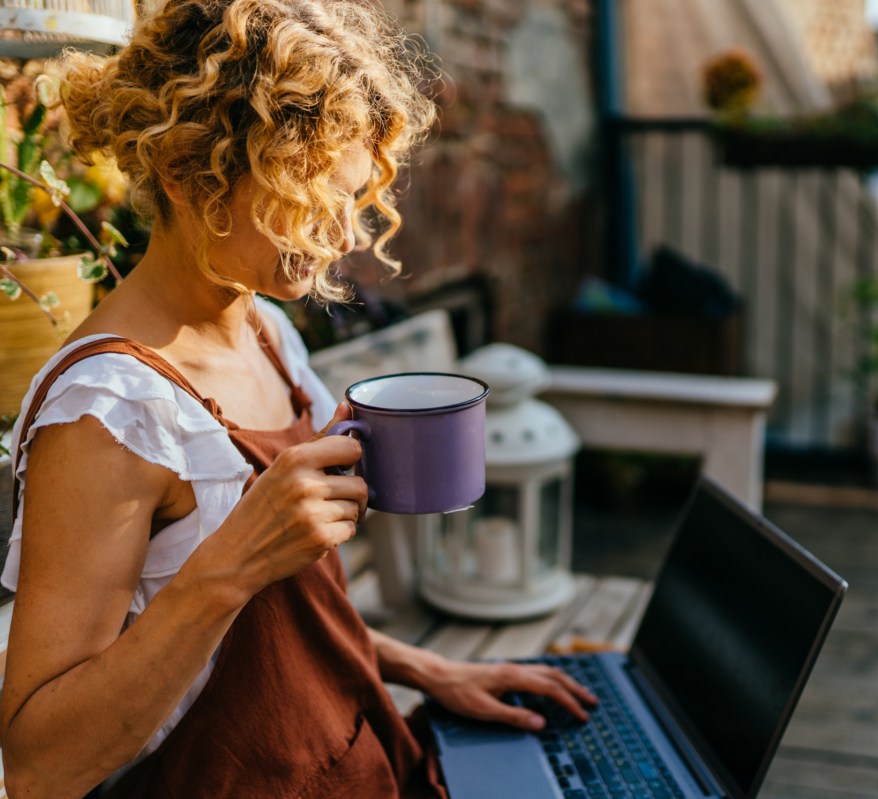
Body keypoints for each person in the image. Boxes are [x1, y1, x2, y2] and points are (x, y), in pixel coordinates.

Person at [0, 1, 596, 796]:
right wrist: (230, 565)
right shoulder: (110, 414)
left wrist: (427, 668)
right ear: (187, 175)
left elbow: (281, 616)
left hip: (363, 752)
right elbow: (41, 763)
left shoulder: (267, 331)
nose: (350, 235)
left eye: (356, 199)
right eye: (319, 197)